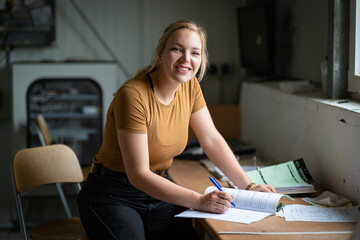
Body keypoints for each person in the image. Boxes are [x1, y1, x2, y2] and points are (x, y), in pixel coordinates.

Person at [78, 19, 275, 240]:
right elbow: (139, 174)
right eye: (176, 49)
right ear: (160, 53)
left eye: (195, 53)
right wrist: (199, 200)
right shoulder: (133, 95)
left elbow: (211, 139)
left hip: (159, 191)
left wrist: (248, 186)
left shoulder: (190, 87)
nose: (186, 59)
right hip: (114, 194)